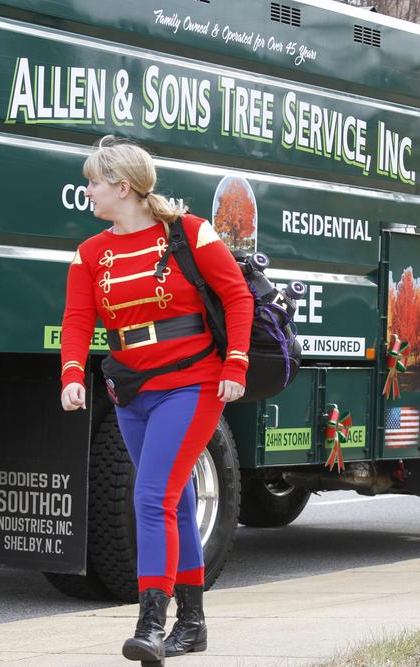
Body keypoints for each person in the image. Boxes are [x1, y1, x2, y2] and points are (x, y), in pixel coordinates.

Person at [60, 136, 253, 662]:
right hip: (130, 389)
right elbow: (78, 319)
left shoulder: (190, 234)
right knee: (176, 500)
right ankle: (192, 624)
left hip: (192, 382)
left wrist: (236, 363)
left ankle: (151, 623)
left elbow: (237, 296)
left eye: (94, 182)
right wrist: (72, 373)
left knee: (151, 498)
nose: (89, 191)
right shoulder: (91, 253)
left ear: (123, 188)